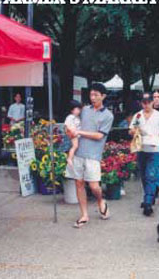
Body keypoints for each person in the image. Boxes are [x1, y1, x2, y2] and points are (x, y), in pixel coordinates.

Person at [67, 83, 114, 228]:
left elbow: (99, 136)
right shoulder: (84, 110)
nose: (92, 98)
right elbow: (73, 121)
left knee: (94, 186)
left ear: (103, 96)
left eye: (96, 95)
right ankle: (84, 215)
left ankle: (100, 200)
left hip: (93, 155)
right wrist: (69, 130)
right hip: (78, 152)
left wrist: (80, 133)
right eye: (91, 95)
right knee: (79, 183)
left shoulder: (108, 115)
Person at [130, 92, 159, 216]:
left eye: (148, 102)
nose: (146, 105)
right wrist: (135, 132)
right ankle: (149, 196)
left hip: (154, 149)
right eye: (144, 103)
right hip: (141, 148)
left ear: (152, 102)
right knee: (143, 175)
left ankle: (147, 202)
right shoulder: (138, 115)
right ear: (142, 103)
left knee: (151, 174)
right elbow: (131, 129)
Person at [64, 100, 82, 167]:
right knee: (75, 146)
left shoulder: (76, 117)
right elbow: (67, 125)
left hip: (76, 134)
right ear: (72, 110)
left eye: (79, 109)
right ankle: (69, 159)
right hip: (73, 134)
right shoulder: (70, 117)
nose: (79, 111)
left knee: (75, 147)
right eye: (77, 109)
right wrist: (72, 131)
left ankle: (71, 158)